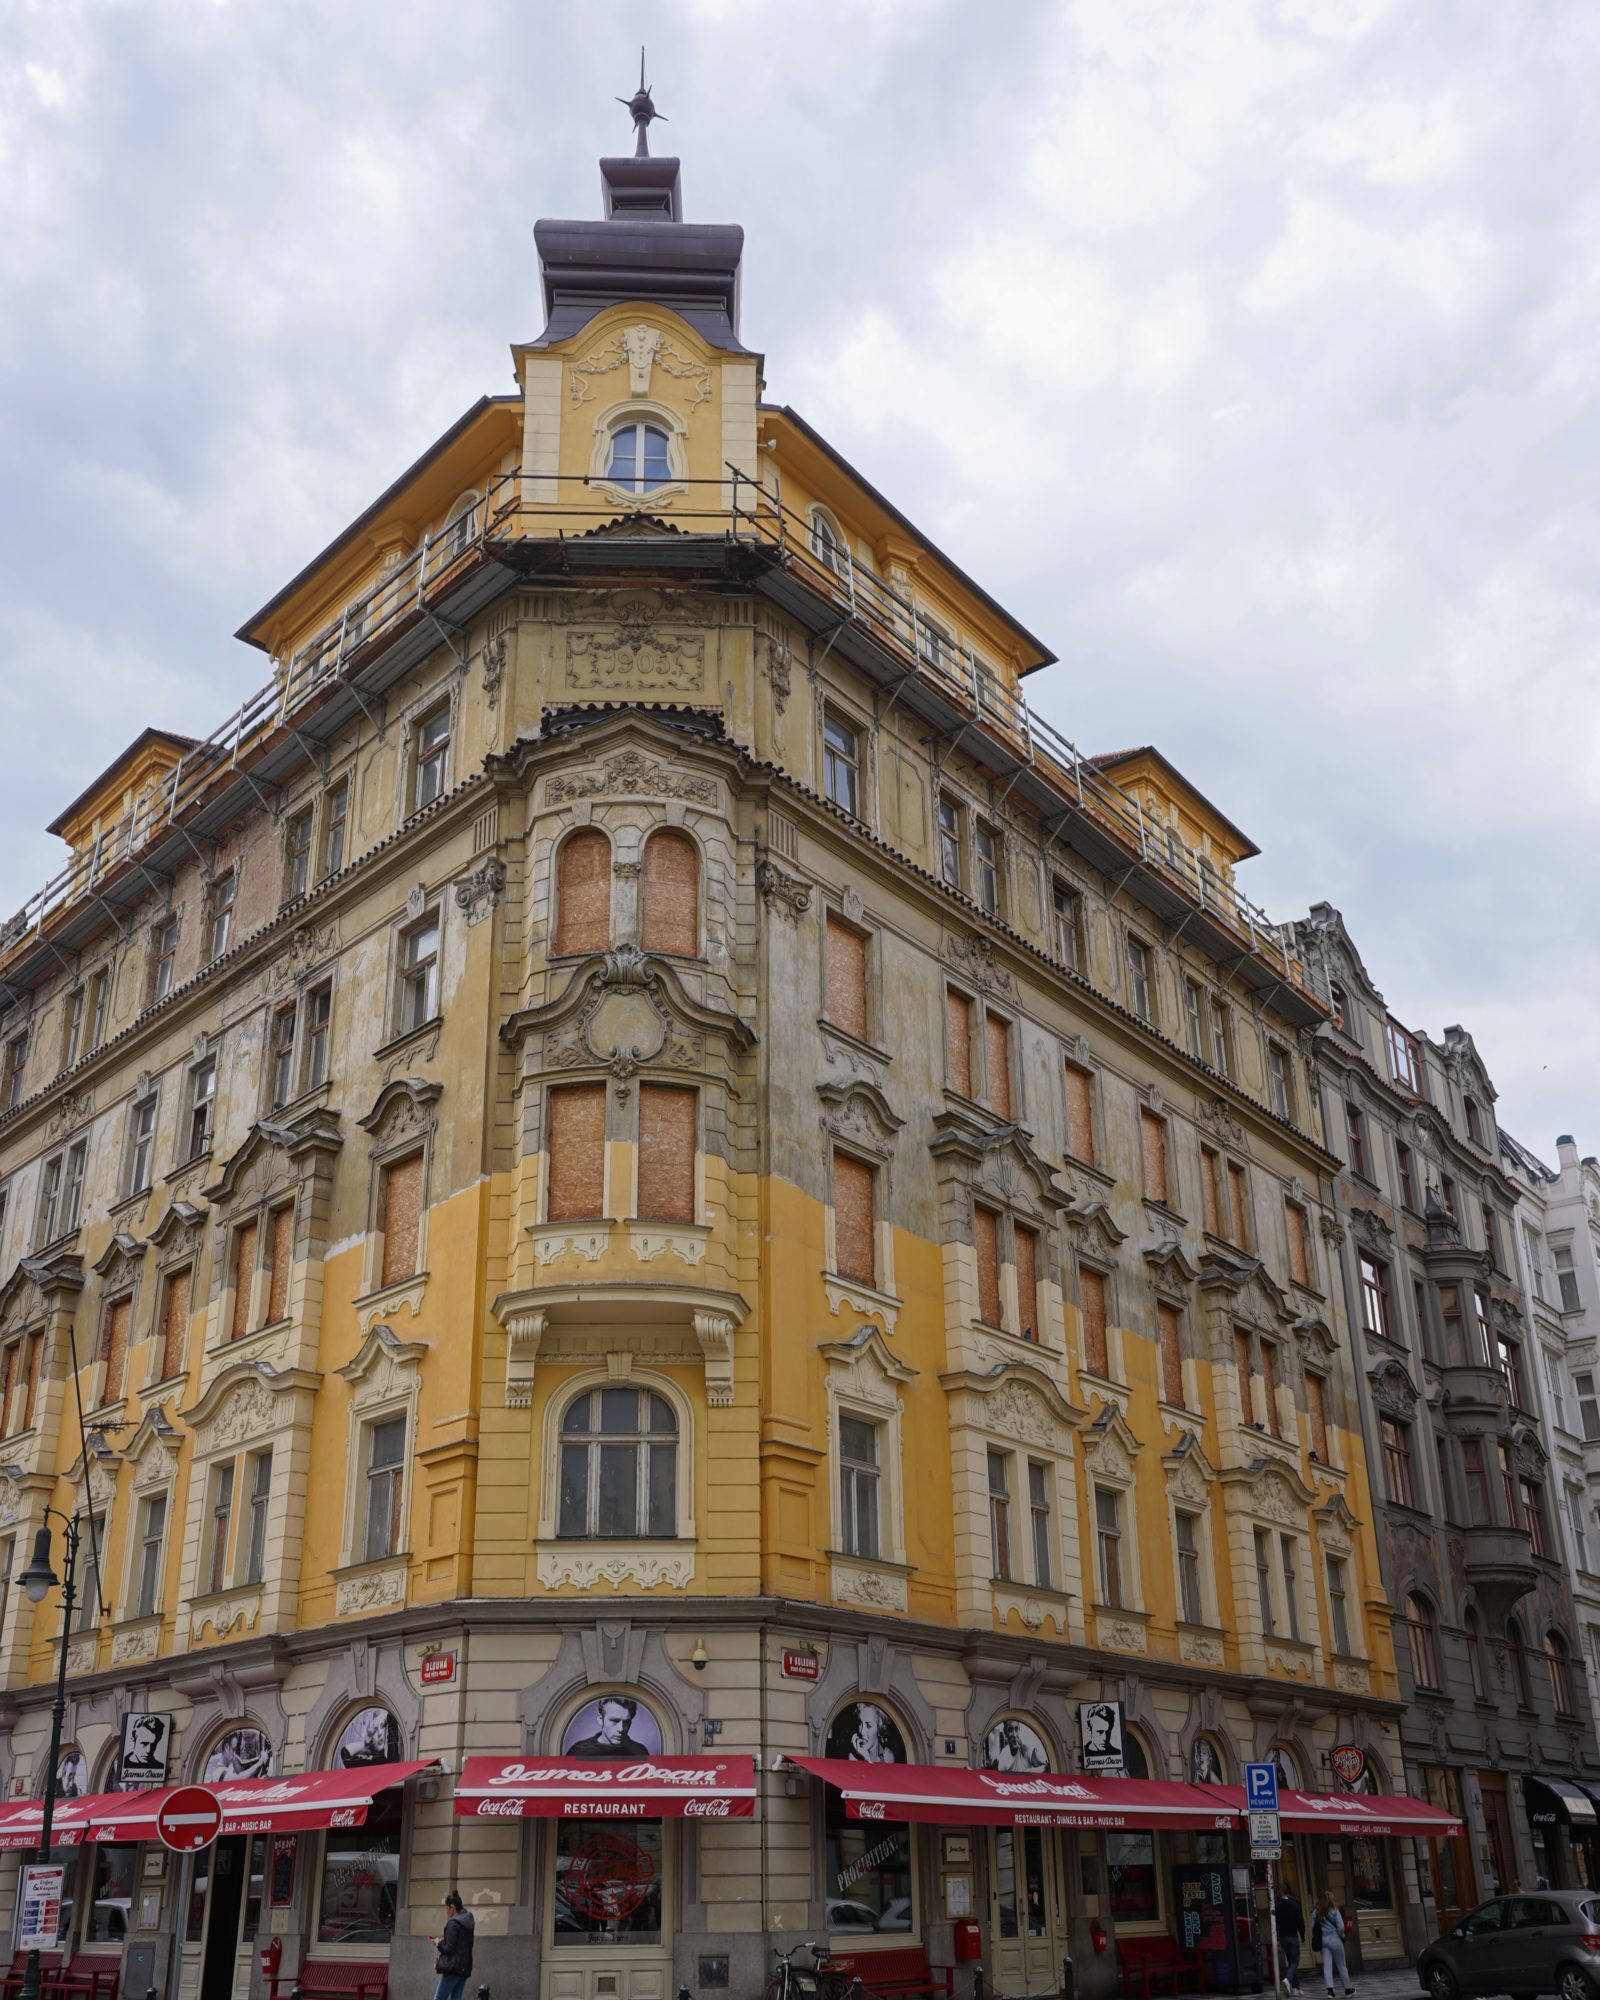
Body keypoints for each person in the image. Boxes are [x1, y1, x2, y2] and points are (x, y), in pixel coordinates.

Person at [566, 1697, 652, 1759]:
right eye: (614, 1721)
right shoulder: (578, 1751)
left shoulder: (639, 1751)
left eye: (626, 1722)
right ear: (600, 1719)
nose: (621, 1729)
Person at [430, 1890, 474, 2000]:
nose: (446, 1911)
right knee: (456, 1998)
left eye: (446, 1908)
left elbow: (449, 1948)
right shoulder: (468, 1922)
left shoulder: (453, 1923)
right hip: (465, 1967)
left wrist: (438, 1943)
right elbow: (460, 1944)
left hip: (452, 1968)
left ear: (452, 1907)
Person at [1311, 1892, 1353, 1999]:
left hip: (1323, 1940)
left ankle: (1330, 1991)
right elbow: (1341, 1927)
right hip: (1335, 1938)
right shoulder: (1335, 1911)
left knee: (1327, 1966)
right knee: (1341, 1965)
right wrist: (1342, 1936)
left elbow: (1313, 1928)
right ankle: (1348, 1989)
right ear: (1330, 1900)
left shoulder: (1316, 1912)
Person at [1274, 1885, 1306, 1994]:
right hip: (1292, 1936)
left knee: (1291, 1960)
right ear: (1287, 1893)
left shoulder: (1276, 1905)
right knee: (1294, 1961)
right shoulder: (1294, 1905)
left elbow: (1275, 1923)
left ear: (1280, 1892)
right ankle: (1288, 1979)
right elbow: (1300, 1922)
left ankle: (1295, 1988)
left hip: (1282, 1937)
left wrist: (1277, 1939)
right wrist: (1302, 1935)